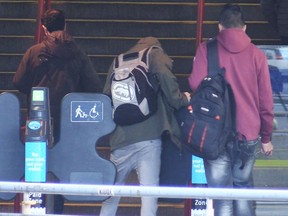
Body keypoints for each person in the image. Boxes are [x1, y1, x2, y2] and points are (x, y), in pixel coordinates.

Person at [13, 9, 102, 214]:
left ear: (44, 28)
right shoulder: (78, 53)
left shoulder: (34, 52)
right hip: (68, 123)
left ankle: (35, 207)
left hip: (38, 121)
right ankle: (56, 210)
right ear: (65, 25)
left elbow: (18, 82)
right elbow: (94, 87)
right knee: (60, 167)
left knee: (36, 166)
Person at [188, 4, 274, 216]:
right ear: (245, 28)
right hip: (248, 133)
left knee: (222, 196)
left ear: (219, 26)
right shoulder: (257, 55)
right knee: (243, 189)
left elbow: (195, 83)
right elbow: (266, 100)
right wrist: (266, 137)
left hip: (215, 133)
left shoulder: (206, 50)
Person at [100, 36, 190, 216]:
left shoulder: (118, 61)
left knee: (111, 195)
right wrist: (181, 99)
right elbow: (167, 79)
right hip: (149, 138)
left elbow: (106, 96)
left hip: (120, 139)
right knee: (149, 196)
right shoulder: (154, 54)